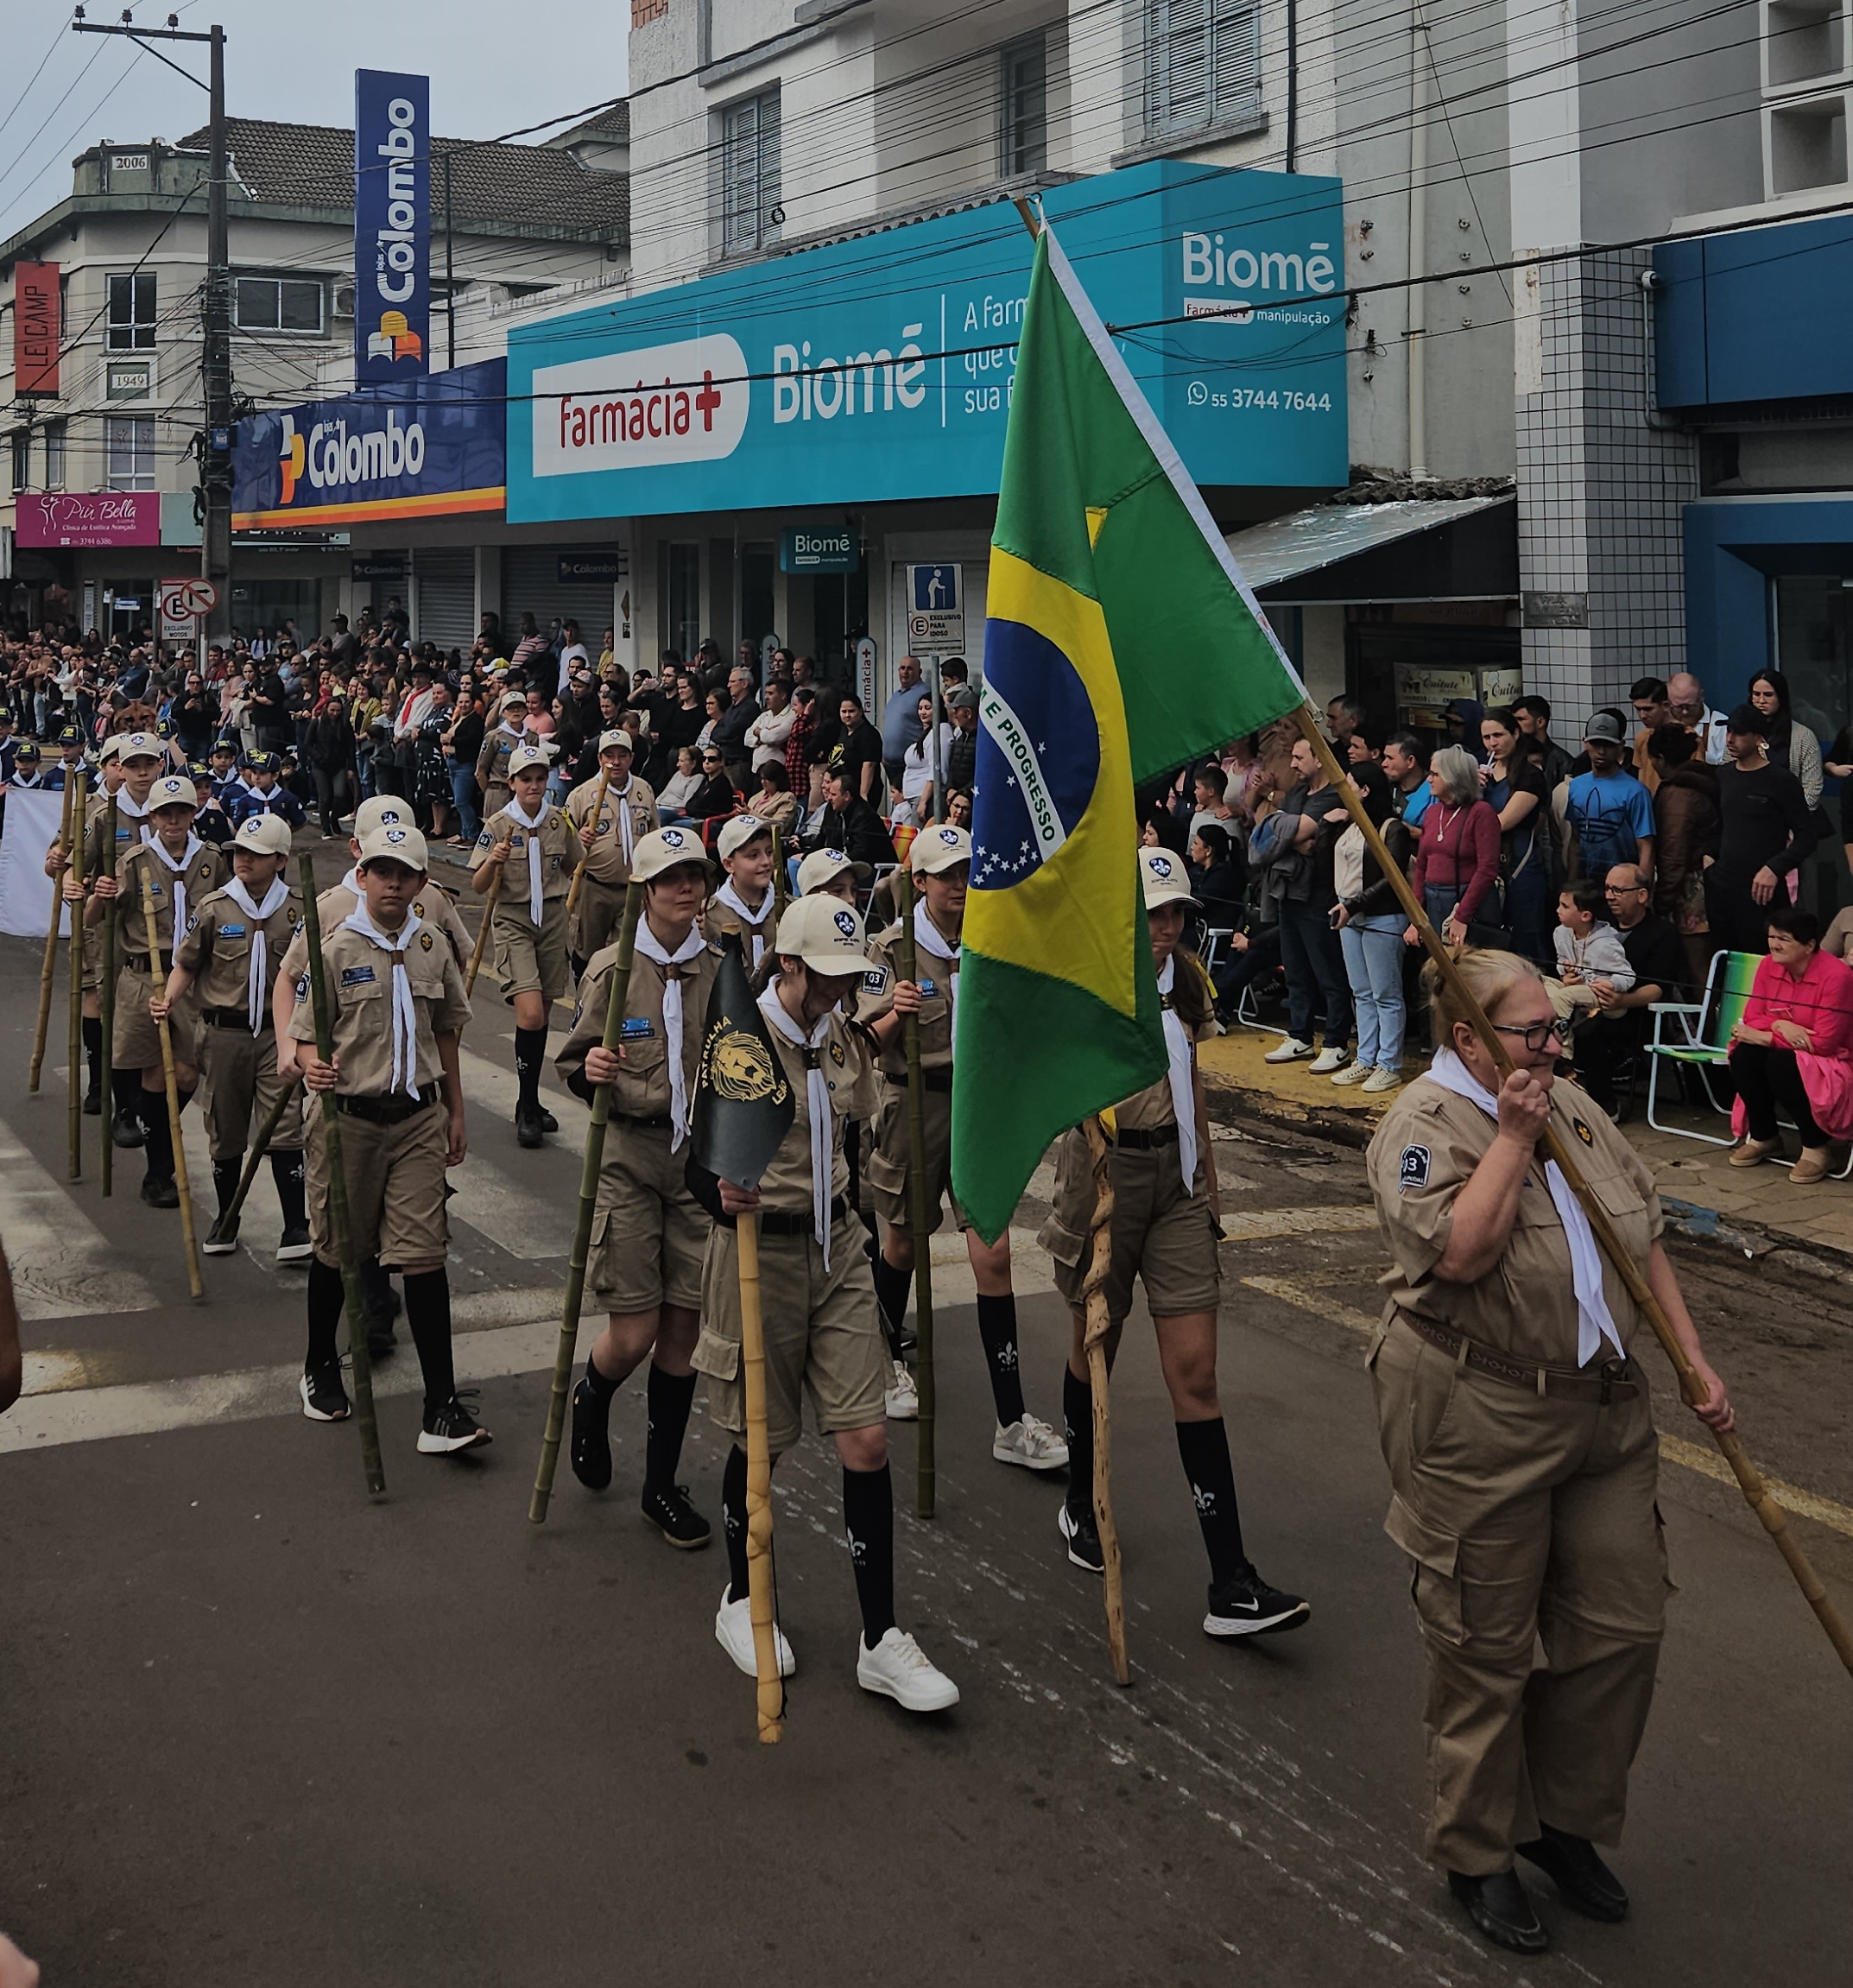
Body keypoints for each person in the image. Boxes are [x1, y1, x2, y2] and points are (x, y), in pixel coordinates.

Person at [1366, 945, 1734, 1955]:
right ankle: (1478, 1847)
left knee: (1621, 1626)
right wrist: (1512, 1142)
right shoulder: (1421, 1124)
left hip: (1605, 1408)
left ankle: (1559, 1820)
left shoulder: (1569, 1102)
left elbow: (1641, 1234)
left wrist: (1692, 1360)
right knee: (1483, 1645)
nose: (1554, 1042)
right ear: (1467, 1040)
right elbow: (1458, 1254)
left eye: (1554, 1025)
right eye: (1533, 1030)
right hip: (1480, 1411)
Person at [689, 893, 962, 1713]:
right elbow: (694, 1161)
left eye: (854, 980)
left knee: (869, 1438)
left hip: (835, 1247)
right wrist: (718, 1195)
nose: (846, 992)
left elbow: (850, 1123)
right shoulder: (739, 1037)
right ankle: (744, 1600)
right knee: (761, 1440)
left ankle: (880, 1637)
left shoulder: (841, 1037)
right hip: (753, 1251)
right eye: (832, 978)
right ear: (792, 966)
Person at [1041, 848, 1309, 1635]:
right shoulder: (1090, 984)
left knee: (1195, 1370)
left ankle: (1231, 1577)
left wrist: (1211, 1187)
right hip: (1106, 1179)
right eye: (1152, 913)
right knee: (1096, 1344)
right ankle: (1080, 1503)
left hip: (1179, 1186)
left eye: (1176, 914)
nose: (1166, 927)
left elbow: (1192, 1082)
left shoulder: (1186, 981)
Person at [857, 823, 1068, 1463]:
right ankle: (888, 1357)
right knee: (902, 1240)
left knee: (995, 1254)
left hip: (979, 1108)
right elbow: (863, 1045)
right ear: (917, 881)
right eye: (946, 874)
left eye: (968, 872)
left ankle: (1011, 1419)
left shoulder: (992, 940)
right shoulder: (889, 951)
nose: (960, 884)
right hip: (914, 1103)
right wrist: (896, 1011)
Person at [286, 821, 489, 1453]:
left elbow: (447, 1032)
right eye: (382, 871)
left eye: (405, 873)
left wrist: (456, 1111)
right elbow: (303, 1034)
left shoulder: (431, 945)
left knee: (425, 1256)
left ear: (423, 882)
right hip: (348, 1120)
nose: (393, 883)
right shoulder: (335, 948)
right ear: (363, 876)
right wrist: (308, 1059)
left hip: (417, 1120)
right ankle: (320, 1364)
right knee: (338, 1250)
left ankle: (442, 1407)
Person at [557, 826, 720, 1545]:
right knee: (636, 1330)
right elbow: (572, 1058)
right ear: (647, 891)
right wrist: (587, 1068)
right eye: (672, 878)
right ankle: (592, 1396)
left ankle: (661, 1484)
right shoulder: (613, 969)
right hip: (627, 1152)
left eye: (695, 876)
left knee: (684, 1328)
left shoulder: (720, 970)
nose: (687, 889)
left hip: (696, 1164)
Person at [159, 811, 311, 1261]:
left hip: (276, 1035)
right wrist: (167, 999)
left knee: (285, 1128)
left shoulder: (298, 911)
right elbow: (187, 963)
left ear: (280, 860)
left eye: (256, 854)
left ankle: (295, 1227)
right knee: (226, 1129)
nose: (244, 860)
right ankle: (227, 1217)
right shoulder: (215, 908)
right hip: (223, 1034)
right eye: (240, 852)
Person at [79, 772, 230, 1206]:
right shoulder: (136, 862)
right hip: (145, 976)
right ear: (153, 815)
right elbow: (92, 920)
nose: (174, 820)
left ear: (193, 813)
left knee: (185, 1073)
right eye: (165, 812)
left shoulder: (212, 859)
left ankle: (148, 1126)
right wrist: (99, 895)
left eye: (182, 811)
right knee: (154, 1073)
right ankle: (159, 1173)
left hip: (194, 981)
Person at [471, 743, 575, 1148]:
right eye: (525, 779)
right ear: (512, 782)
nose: (533, 785)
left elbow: (571, 864)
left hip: (551, 918)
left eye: (539, 778)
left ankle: (529, 1099)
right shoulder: (498, 825)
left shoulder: (556, 821)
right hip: (514, 919)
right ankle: (528, 1105)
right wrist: (492, 862)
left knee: (545, 1010)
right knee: (529, 1014)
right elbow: (479, 886)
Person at [1725, 905, 1853, 1182]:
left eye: (1783, 939)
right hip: (1794, 1049)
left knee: (1781, 1062)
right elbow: (1753, 1016)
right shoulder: (1767, 965)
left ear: (1809, 946)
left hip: (1837, 1060)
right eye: (1772, 937)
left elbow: (1826, 1042)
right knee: (1744, 1055)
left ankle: (1817, 1147)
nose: (1774, 944)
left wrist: (1767, 1036)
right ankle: (1764, 1136)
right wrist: (1780, 1025)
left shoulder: (1837, 976)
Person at [1259, 732, 1355, 1073]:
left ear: (1319, 759)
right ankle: (1299, 1035)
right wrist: (1293, 836)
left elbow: (1292, 832)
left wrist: (1290, 834)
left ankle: (1336, 1042)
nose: (1292, 765)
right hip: (1288, 892)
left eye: (1299, 758)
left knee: (1328, 971)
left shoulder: (1333, 795)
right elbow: (1272, 829)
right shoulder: (1298, 792)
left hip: (1319, 895)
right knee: (1295, 969)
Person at [1568, 864, 1687, 1113]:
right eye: (1608, 888)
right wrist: (1570, 976)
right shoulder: (1598, 923)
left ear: (1642, 895)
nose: (1610, 896)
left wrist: (1622, 1001)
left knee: (1591, 1030)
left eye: (1619, 890)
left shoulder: (1662, 934)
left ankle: (1605, 1107)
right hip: (1586, 997)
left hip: (1637, 1014)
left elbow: (1659, 988)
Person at [1704, 704, 1815, 956]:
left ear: (1759, 739)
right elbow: (1718, 824)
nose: (1730, 739)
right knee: (1725, 963)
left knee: (1762, 962)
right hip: (1721, 886)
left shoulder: (1781, 781)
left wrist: (1775, 868)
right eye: (1729, 731)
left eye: (1739, 733)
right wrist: (1709, 859)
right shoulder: (1724, 775)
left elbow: (1807, 836)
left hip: (1762, 892)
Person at [1331, 762, 1414, 1092]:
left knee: (1386, 994)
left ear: (1366, 791)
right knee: (1361, 992)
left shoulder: (1392, 828)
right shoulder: (1348, 824)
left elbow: (1391, 879)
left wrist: (1353, 905)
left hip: (1381, 918)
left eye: (1349, 784)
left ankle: (1389, 1063)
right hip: (1349, 916)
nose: (1344, 790)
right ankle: (1366, 1058)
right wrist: (1327, 826)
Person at [565, 729, 660, 966]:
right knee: (588, 953)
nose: (615, 762)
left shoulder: (643, 790)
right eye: (609, 756)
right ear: (599, 759)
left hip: (634, 888)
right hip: (595, 888)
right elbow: (561, 842)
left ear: (631, 758)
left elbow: (654, 834)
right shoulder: (581, 795)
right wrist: (578, 839)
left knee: (630, 955)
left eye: (622, 755)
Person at [1645, 725, 1719, 994]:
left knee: (1698, 968)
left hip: (1691, 893)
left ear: (1661, 759)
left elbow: (1673, 852)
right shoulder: (1704, 780)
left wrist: (1662, 900)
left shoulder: (1678, 794)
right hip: (1711, 885)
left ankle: (1707, 1031)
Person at [1407, 744, 1502, 946]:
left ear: (1453, 777)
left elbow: (1487, 869)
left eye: (1435, 774)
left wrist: (1462, 916)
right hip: (1433, 899)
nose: (1428, 779)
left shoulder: (1481, 813)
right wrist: (1417, 915)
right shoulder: (1433, 813)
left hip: (1467, 900)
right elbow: (1422, 864)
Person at [1479, 710, 1553, 966]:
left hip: (1521, 869)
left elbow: (1501, 823)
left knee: (1526, 941)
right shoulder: (1483, 775)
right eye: (1487, 737)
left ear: (1516, 733)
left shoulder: (1530, 776)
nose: (1493, 743)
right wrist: (1470, 789)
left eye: (1498, 735)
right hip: (1488, 869)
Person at [1564, 713, 1654, 883]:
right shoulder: (1576, 786)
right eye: (1596, 744)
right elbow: (1575, 840)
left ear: (1621, 746)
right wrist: (1571, 883)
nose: (1601, 752)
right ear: (1585, 743)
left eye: (1608, 745)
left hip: (1623, 884)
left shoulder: (1636, 791)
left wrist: (1642, 890)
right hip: (1587, 884)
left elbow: (1645, 846)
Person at [1747, 667, 1825, 811]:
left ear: (1780, 697)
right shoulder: (1740, 733)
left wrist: (1794, 821)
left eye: (1768, 695)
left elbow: (1813, 789)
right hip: (1750, 819)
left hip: (1792, 821)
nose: (1761, 701)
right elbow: (1729, 777)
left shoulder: (1803, 736)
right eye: (1756, 694)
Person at [816, 761, 898, 871]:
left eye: (834, 794)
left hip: (871, 869)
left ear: (847, 796)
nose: (829, 798)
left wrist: (835, 865)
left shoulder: (865, 816)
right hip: (846, 864)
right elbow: (828, 840)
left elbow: (861, 852)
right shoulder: (837, 811)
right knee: (798, 863)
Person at [474, 690, 529, 822]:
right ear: (503, 712)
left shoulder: (531, 736)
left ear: (526, 710)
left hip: (523, 792)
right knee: (496, 832)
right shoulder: (495, 736)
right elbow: (480, 771)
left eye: (519, 707)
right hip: (499, 790)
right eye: (510, 708)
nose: (515, 711)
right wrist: (489, 793)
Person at [1666, 671, 1731, 766]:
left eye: (1690, 706)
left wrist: (1698, 753)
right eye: (1678, 707)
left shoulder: (1721, 725)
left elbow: (1729, 765)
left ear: (1701, 696)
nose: (1685, 712)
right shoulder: (1663, 724)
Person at [1511, 696, 1573, 795]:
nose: (1515, 724)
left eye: (1520, 719)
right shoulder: (1511, 755)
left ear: (1540, 722)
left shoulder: (1563, 762)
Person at [1626, 677, 1673, 792]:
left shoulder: (1689, 737)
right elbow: (1641, 778)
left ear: (1665, 706)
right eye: (1638, 709)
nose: (1642, 715)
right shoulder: (1642, 737)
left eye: (1648, 709)